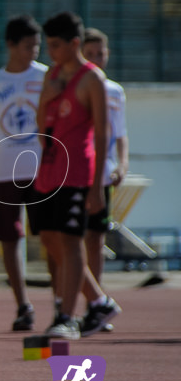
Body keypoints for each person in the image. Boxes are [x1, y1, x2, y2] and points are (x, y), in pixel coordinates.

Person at [33, 12, 119, 340]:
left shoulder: (91, 79)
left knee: (71, 241)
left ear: (74, 43)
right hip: (49, 169)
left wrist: (97, 186)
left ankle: (67, 316)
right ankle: (98, 300)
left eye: (56, 45)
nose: (50, 52)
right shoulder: (52, 76)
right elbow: (42, 126)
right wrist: (47, 96)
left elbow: (101, 134)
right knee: (50, 239)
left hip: (78, 172)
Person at [0, 15, 47, 331]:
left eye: (37, 45)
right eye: (28, 45)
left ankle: (62, 304)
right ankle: (23, 304)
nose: (33, 51)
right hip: (3, 170)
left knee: (52, 237)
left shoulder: (48, 78)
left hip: (43, 169)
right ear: (10, 45)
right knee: (10, 238)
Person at [80, 28, 128, 334]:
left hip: (102, 173)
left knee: (95, 241)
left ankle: (93, 309)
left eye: (102, 53)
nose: (97, 58)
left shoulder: (114, 91)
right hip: (76, 172)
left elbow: (120, 133)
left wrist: (122, 163)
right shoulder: (74, 86)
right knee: (66, 241)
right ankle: (67, 305)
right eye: (91, 53)